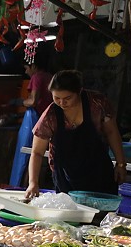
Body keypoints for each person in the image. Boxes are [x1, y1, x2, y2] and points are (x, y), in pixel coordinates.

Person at [24, 70, 125, 199]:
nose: (61, 103)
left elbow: (111, 132)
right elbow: (37, 152)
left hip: (99, 173)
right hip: (66, 178)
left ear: (79, 91)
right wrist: (33, 183)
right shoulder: (50, 115)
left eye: (67, 98)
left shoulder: (97, 103)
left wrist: (121, 164)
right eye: (56, 98)